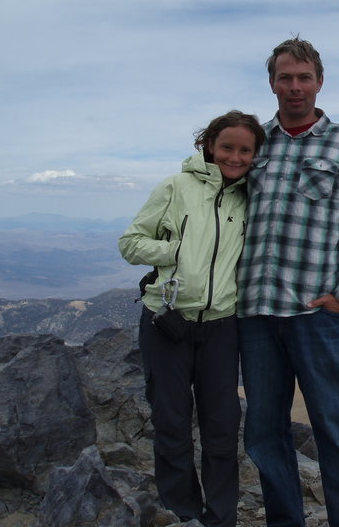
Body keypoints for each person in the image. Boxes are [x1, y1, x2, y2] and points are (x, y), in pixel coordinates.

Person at [237, 37, 339, 527]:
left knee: (335, 432)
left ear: (319, 82)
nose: (294, 87)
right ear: (272, 83)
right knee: (262, 431)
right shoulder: (256, 143)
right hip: (256, 313)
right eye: (284, 77)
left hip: (316, 316)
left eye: (303, 77)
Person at [118, 110, 265, 526]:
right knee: (171, 422)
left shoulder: (251, 197)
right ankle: (184, 512)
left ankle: (221, 517)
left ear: (255, 155)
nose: (235, 157)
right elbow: (130, 244)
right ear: (209, 146)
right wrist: (173, 252)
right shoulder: (175, 187)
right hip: (166, 323)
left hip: (222, 327)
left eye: (245, 150)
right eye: (227, 148)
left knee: (221, 428)